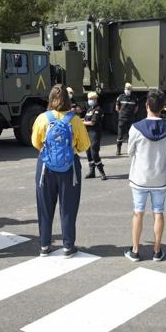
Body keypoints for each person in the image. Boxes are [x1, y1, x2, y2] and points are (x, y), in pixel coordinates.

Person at [31, 84, 90, 257]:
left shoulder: (42, 118)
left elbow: (36, 142)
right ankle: (68, 246)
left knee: (45, 207)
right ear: (68, 100)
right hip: (69, 167)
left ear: (50, 99)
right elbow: (84, 145)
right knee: (68, 207)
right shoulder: (75, 120)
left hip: (45, 167)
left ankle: (44, 245)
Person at [124, 89, 166, 262]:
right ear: (163, 107)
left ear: (146, 105)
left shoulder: (136, 128)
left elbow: (130, 151)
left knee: (138, 212)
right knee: (158, 212)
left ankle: (135, 251)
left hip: (140, 177)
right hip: (160, 177)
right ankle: (157, 251)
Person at [83, 92, 107, 180]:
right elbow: (86, 119)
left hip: (94, 134)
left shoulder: (98, 109)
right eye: (89, 99)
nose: (90, 101)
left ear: (95, 99)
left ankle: (102, 172)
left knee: (94, 153)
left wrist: (81, 123)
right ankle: (92, 172)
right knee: (88, 152)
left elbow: (92, 122)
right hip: (87, 134)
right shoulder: (89, 110)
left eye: (91, 99)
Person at [115, 82, 138, 155]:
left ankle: (129, 150)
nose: (127, 90)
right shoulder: (120, 97)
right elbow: (117, 107)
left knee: (130, 135)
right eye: (126, 88)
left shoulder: (134, 98)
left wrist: (131, 115)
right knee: (120, 135)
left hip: (130, 119)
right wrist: (121, 114)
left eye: (128, 89)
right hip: (122, 119)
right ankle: (118, 150)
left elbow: (136, 108)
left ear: (131, 90)